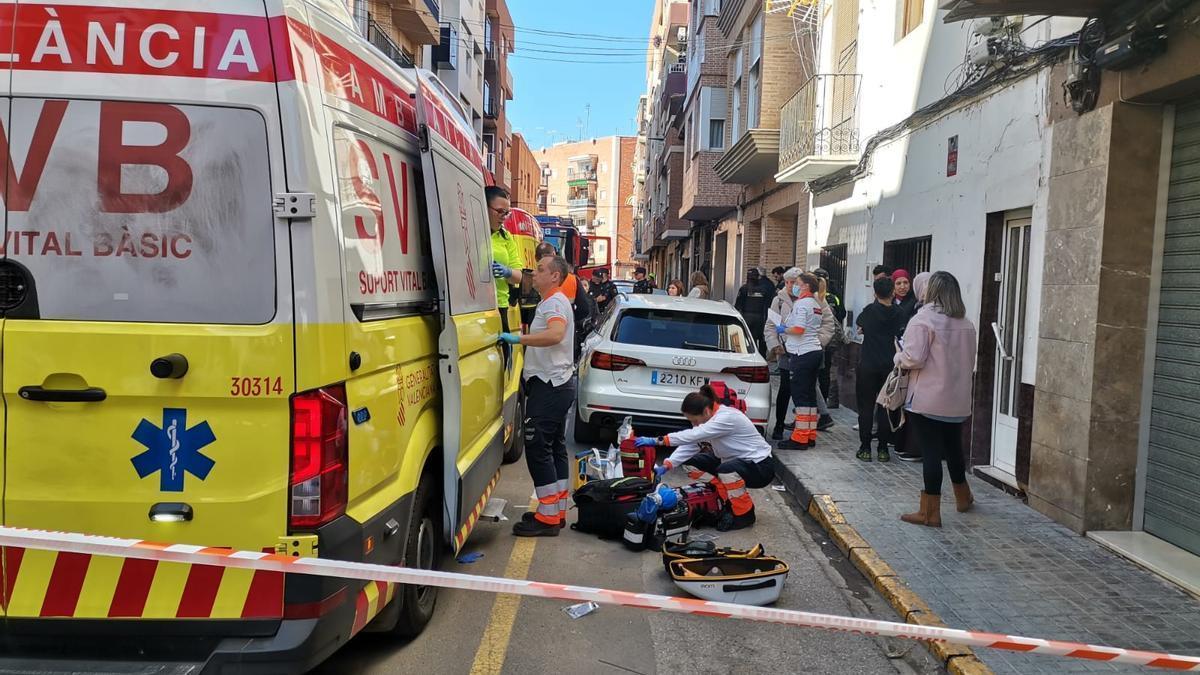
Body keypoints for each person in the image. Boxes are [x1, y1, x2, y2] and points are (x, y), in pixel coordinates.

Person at [500, 256, 576, 537]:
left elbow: (555, 334)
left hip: (550, 385)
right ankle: (555, 513)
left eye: (541, 270)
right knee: (554, 447)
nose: (535, 274)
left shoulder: (555, 302)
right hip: (557, 384)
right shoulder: (553, 301)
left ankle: (546, 519)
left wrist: (518, 339)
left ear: (555, 276)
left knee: (537, 445)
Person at [897, 272, 978, 528]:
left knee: (931, 452)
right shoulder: (966, 323)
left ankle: (930, 512)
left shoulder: (923, 320)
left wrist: (898, 356)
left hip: (928, 398)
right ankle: (963, 497)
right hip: (958, 399)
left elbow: (913, 358)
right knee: (954, 447)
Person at [634, 384, 776, 531]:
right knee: (690, 463)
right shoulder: (709, 420)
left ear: (706, 411)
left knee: (726, 470)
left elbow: (693, 435)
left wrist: (657, 440)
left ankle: (744, 514)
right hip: (735, 462)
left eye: (694, 420)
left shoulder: (726, 417)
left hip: (761, 467)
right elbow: (691, 443)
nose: (694, 424)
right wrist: (668, 464)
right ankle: (724, 496)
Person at [854, 277, 903, 462]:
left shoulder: (869, 311)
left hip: (867, 365)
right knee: (885, 408)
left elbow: (860, 326)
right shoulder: (899, 312)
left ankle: (865, 448)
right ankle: (883, 449)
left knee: (866, 408)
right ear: (893, 292)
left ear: (875, 293)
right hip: (889, 366)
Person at [777, 272, 824, 449]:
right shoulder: (815, 304)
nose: (793, 286)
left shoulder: (802, 304)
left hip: (802, 353)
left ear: (806, 286)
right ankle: (810, 434)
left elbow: (799, 329)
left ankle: (800, 438)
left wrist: (784, 329)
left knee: (800, 395)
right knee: (810, 395)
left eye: (797, 283)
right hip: (814, 351)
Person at [894, 271, 933, 463]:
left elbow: (914, 355)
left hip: (921, 371)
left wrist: (899, 357)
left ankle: (915, 449)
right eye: (898, 282)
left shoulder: (922, 314)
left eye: (906, 282)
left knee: (917, 411)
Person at [537, 242, 594, 361]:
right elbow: (584, 309)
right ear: (554, 254)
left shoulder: (535, 277)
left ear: (536, 258)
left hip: (540, 335)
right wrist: (572, 319)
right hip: (565, 333)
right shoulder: (572, 279)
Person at [764, 267, 802, 440]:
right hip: (786, 351)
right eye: (790, 282)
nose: (793, 285)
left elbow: (825, 325)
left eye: (796, 282)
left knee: (803, 391)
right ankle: (779, 424)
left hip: (805, 351)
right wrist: (775, 345)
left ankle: (801, 428)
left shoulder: (810, 299)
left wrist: (819, 343)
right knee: (785, 388)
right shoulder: (778, 301)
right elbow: (770, 326)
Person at [487, 186, 523, 331]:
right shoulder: (469, 231)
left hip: (499, 305)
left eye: (506, 213)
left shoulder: (506, 237)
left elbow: (519, 276)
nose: (503, 216)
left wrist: (507, 272)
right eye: (500, 211)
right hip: (472, 305)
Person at [813, 268, 846, 409]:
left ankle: (817, 404)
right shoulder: (834, 295)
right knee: (825, 371)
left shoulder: (813, 296)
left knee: (817, 372)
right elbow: (842, 314)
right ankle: (823, 402)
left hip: (816, 340)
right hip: (829, 339)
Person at [735, 268, 774, 357]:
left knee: (749, 340)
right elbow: (768, 305)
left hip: (747, 318)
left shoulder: (744, 289)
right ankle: (762, 358)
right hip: (761, 318)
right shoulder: (764, 290)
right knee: (762, 340)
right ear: (758, 277)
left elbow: (738, 305)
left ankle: (750, 357)